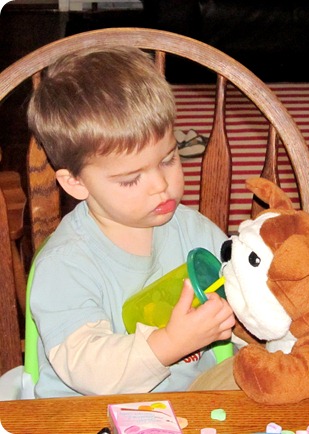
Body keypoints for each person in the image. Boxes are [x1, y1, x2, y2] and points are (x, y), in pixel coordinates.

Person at [26, 46, 235, 398]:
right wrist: (168, 344)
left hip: (190, 406)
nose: (160, 185)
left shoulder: (196, 232)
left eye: (169, 159)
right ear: (75, 183)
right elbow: (85, 366)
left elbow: (251, 305)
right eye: (130, 179)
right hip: (87, 414)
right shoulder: (65, 265)